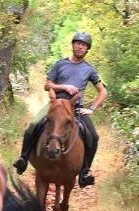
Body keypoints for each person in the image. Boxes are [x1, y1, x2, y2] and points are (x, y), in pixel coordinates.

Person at [13, 31, 107, 187]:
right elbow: (47, 85)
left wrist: (92, 108)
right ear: (73, 45)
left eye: (83, 45)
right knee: (32, 126)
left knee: (94, 137)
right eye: (78, 43)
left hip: (75, 108)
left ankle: (85, 171)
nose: (80, 47)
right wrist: (64, 86)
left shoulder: (89, 69)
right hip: (55, 105)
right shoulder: (60, 64)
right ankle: (23, 158)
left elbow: (103, 91)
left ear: (87, 49)